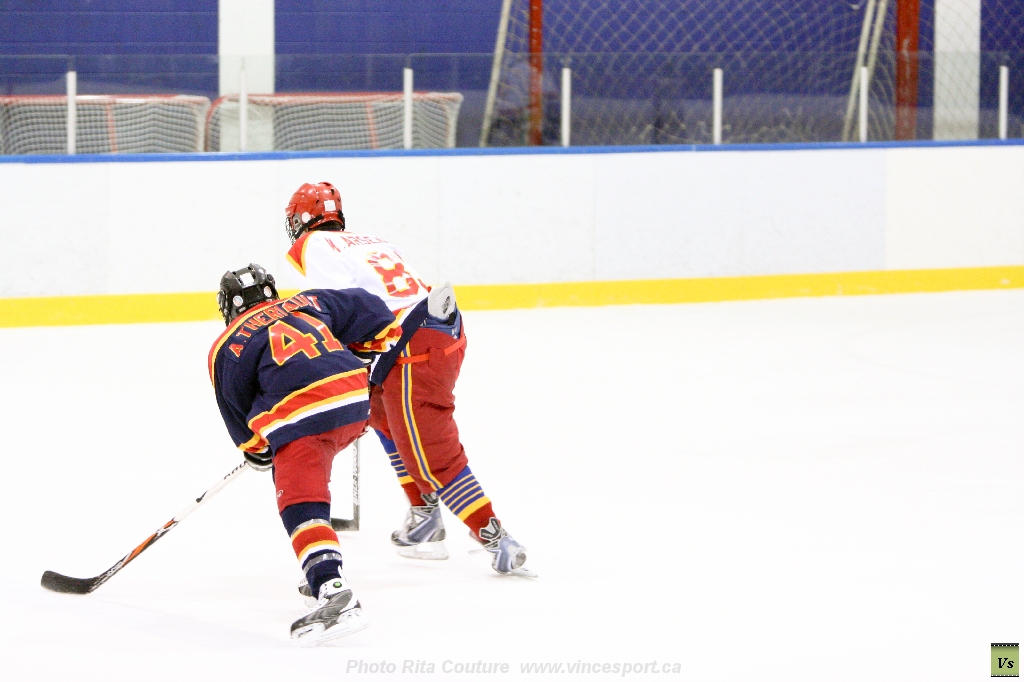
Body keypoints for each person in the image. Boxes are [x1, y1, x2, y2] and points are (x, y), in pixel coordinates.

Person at [282, 182, 531, 576]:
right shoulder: (371, 240)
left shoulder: (310, 245)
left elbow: (341, 308)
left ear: (299, 221)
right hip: (431, 331)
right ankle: (424, 515)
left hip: (415, 346)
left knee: (432, 449)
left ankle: (496, 538)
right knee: (379, 412)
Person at [209, 263, 402, 644]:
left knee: (298, 502)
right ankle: (317, 561)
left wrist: (257, 449)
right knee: (304, 465)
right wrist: (361, 353)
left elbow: (238, 413)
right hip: (354, 402)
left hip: (304, 419)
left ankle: (332, 588)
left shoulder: (227, 344)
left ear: (228, 306)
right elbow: (376, 312)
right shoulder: (308, 301)